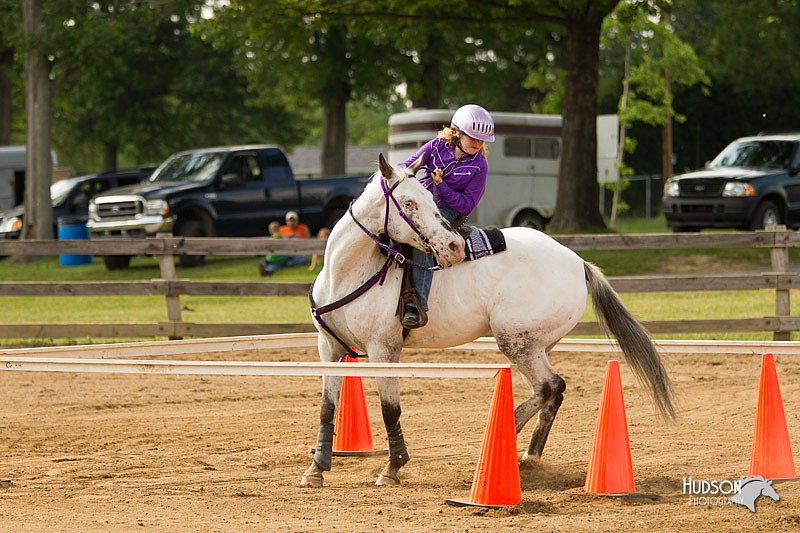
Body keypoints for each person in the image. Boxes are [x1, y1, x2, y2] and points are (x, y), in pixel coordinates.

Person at [398, 104, 495, 327]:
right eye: (473, 138)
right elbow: (408, 164)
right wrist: (399, 175)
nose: (478, 144)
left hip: (447, 213)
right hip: (420, 203)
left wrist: (441, 186)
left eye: (482, 140)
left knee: (425, 238)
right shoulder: (436, 146)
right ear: (457, 133)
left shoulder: (479, 166)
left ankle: (418, 304)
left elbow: (466, 205)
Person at [259, 211, 311, 276]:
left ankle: (269, 267)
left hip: (297, 252)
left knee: (303, 258)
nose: (291, 222)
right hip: (284, 253)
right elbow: (276, 238)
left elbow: (308, 242)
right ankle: (271, 267)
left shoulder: (303, 228)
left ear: (297, 220)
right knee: (280, 261)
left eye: (293, 220)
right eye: (289, 220)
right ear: (286, 221)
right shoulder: (281, 229)